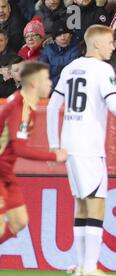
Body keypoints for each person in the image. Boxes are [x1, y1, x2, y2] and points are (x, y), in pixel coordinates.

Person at [46, 24, 116, 276]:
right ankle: (89, 267)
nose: (113, 47)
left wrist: (54, 143)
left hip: (70, 144)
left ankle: (80, 264)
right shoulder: (102, 69)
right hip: (89, 146)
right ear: (96, 44)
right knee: (96, 204)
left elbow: (53, 106)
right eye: (109, 43)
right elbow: (115, 106)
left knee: (82, 205)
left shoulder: (70, 68)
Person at [0, 61, 68, 245]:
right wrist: (54, 156)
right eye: (45, 79)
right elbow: (19, 148)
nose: (50, 83)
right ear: (33, 84)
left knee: (20, 221)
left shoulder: (26, 104)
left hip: (5, 173)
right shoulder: (21, 108)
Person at [40, 19, 81, 87]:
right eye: (58, 35)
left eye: (65, 33)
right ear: (54, 38)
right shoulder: (48, 50)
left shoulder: (77, 49)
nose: (62, 37)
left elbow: (70, 71)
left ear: (70, 34)